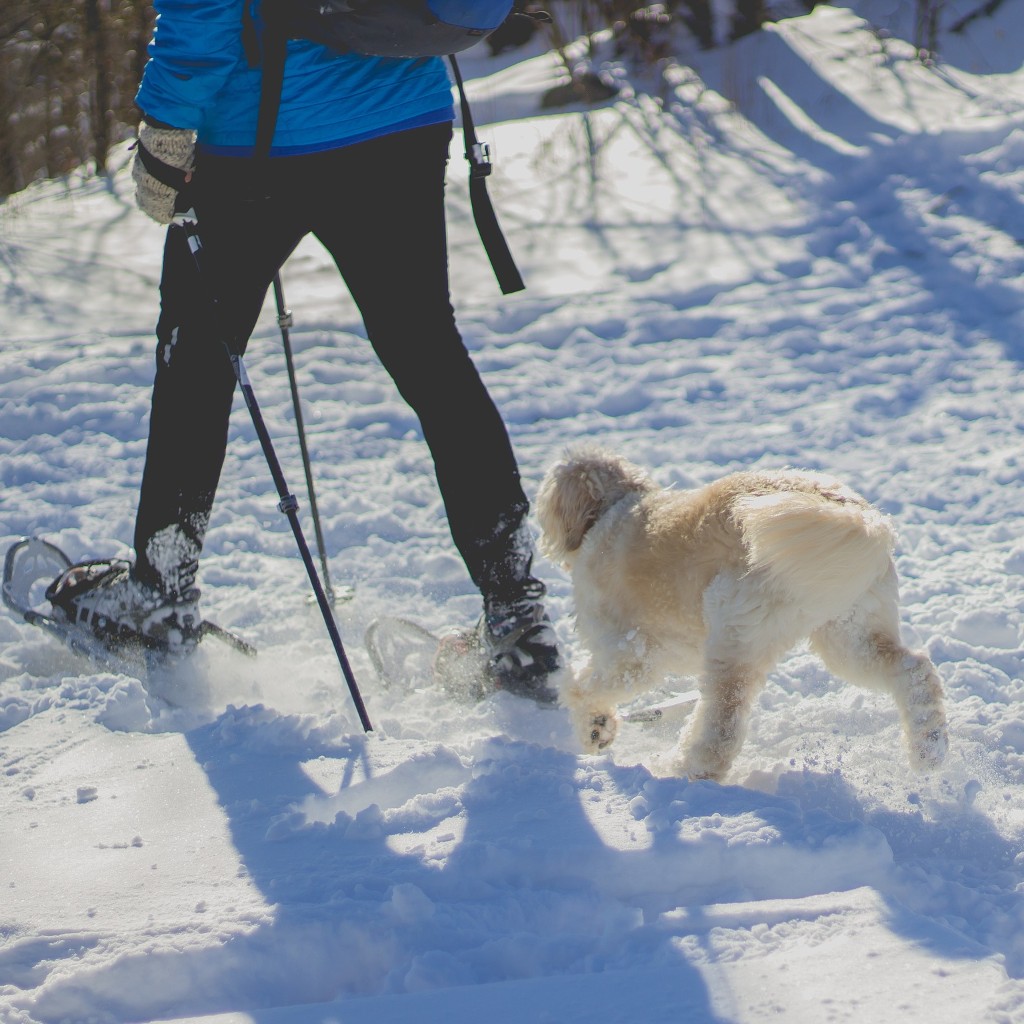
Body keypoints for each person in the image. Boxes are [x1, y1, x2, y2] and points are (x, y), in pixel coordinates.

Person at [46, 0, 562, 702]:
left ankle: (159, 593)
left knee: (198, 358)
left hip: (252, 142)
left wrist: (167, 123)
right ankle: (516, 618)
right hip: (400, 118)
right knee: (429, 356)